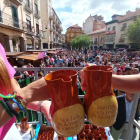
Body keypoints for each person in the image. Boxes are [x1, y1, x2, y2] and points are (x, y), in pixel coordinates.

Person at [0, 44, 51, 139]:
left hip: (8, 128)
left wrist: (42, 105)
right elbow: (21, 95)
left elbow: (12, 90)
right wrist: (28, 92)